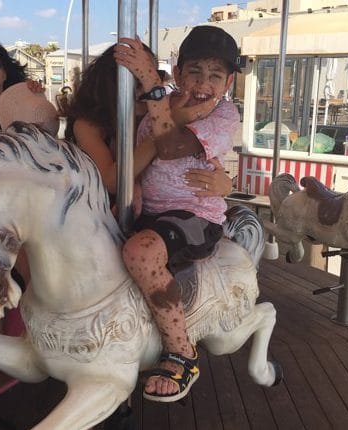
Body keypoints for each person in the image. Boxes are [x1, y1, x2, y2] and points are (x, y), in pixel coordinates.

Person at [114, 25, 241, 402]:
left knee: (140, 253)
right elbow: (142, 154)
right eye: (195, 71)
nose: (204, 83)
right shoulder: (161, 106)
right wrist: (133, 187)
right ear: (179, 71)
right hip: (150, 213)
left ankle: (180, 351)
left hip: (193, 215)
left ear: (229, 81)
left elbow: (169, 148)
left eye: (216, 75)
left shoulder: (224, 116)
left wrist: (152, 85)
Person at [65, 44, 232, 210]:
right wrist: (167, 126)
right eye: (134, 81)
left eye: (150, 79)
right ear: (110, 83)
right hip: (98, 211)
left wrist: (225, 184)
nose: (144, 89)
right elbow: (113, 181)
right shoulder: (88, 125)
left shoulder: (154, 113)